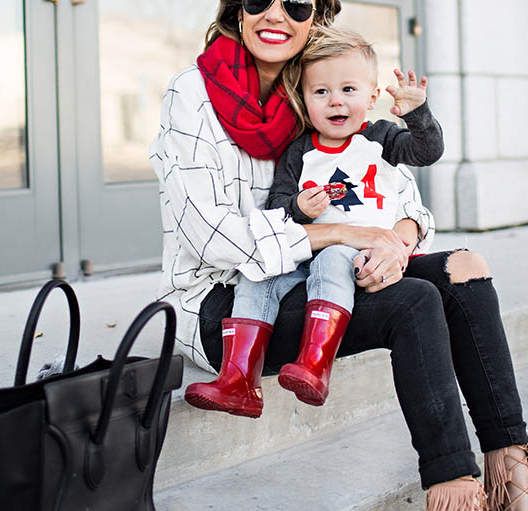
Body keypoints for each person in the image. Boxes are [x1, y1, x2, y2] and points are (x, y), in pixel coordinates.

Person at [150, 0, 528, 511]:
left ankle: (515, 504)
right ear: (236, 7)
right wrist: (339, 236)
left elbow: (399, 189)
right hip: (228, 301)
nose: (274, 13)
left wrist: (399, 236)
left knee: (463, 267)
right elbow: (209, 232)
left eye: (295, 2)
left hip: (320, 275)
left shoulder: (314, 87)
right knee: (416, 304)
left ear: (317, 17)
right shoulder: (194, 96)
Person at [185, 25, 444, 414]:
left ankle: (315, 364)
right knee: (258, 275)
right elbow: (278, 208)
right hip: (304, 249)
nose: (335, 101)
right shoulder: (299, 152)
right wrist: (299, 209)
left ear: (372, 96)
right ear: (304, 100)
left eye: (348, 90)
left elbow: (426, 152)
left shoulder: (380, 139)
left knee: (332, 256)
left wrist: (418, 115)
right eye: (321, 92)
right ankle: (238, 380)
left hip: (354, 257)